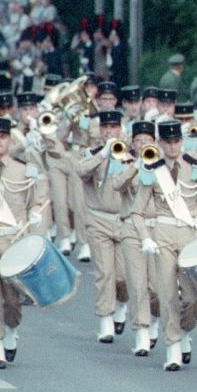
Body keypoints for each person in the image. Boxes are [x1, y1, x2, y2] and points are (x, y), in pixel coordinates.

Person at [130, 120, 197, 372]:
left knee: (191, 298)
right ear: (160, 143)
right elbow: (136, 212)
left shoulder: (195, 166)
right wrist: (145, 237)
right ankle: (172, 348)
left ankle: (184, 330)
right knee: (167, 294)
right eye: (167, 142)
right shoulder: (152, 169)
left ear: (182, 141)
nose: (172, 146)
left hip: (190, 235)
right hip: (163, 235)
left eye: (176, 141)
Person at [0, 116, 50, 368]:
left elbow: (39, 199)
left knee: (12, 297)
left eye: (2, 137)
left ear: (10, 141)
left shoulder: (23, 169)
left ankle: (11, 329)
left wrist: (36, 215)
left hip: (15, 238)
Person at [74, 110, 136, 345]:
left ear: (121, 130)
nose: (110, 132)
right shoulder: (91, 154)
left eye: (114, 128)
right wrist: (103, 153)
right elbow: (81, 171)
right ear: (100, 131)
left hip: (123, 221)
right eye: (105, 128)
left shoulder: (130, 156)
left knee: (123, 276)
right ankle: (105, 320)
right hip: (98, 220)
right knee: (105, 273)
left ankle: (120, 305)